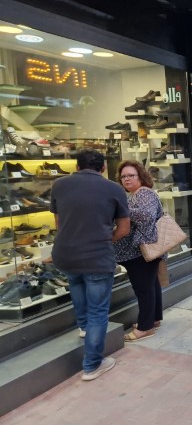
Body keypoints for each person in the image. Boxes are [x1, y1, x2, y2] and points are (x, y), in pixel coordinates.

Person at [51, 149, 130, 381]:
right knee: (98, 310)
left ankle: (84, 329)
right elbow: (124, 229)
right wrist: (104, 240)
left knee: (76, 286)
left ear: (77, 167)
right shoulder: (114, 188)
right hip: (97, 256)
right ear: (103, 168)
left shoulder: (59, 185)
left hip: (66, 254)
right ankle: (92, 365)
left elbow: (58, 223)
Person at [114, 160, 165, 342]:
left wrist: (121, 208)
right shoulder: (135, 194)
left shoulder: (143, 193)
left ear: (140, 176)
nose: (126, 179)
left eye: (131, 175)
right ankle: (153, 319)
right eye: (123, 176)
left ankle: (145, 328)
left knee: (144, 289)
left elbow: (146, 216)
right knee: (151, 286)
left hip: (141, 250)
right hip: (143, 249)